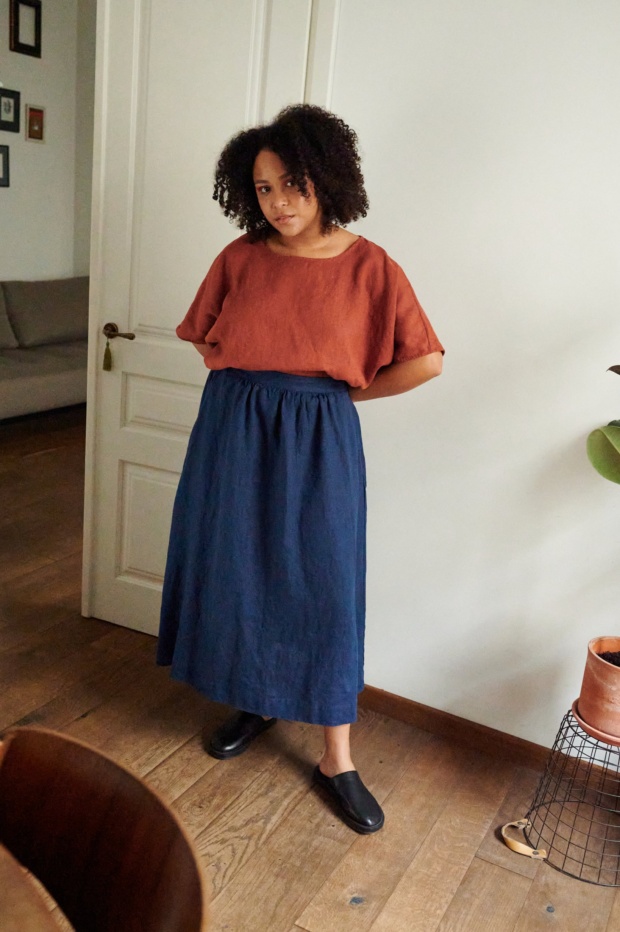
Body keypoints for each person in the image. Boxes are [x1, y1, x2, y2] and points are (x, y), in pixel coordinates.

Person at [157, 104, 444, 834]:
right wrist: (251, 386)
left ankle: (336, 757)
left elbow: (426, 361)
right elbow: (203, 335)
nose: (278, 202)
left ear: (326, 179)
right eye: (263, 188)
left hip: (318, 440)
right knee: (239, 567)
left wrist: (332, 396)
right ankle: (255, 700)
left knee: (323, 583)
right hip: (232, 431)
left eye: (293, 184)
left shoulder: (371, 266)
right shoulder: (239, 258)